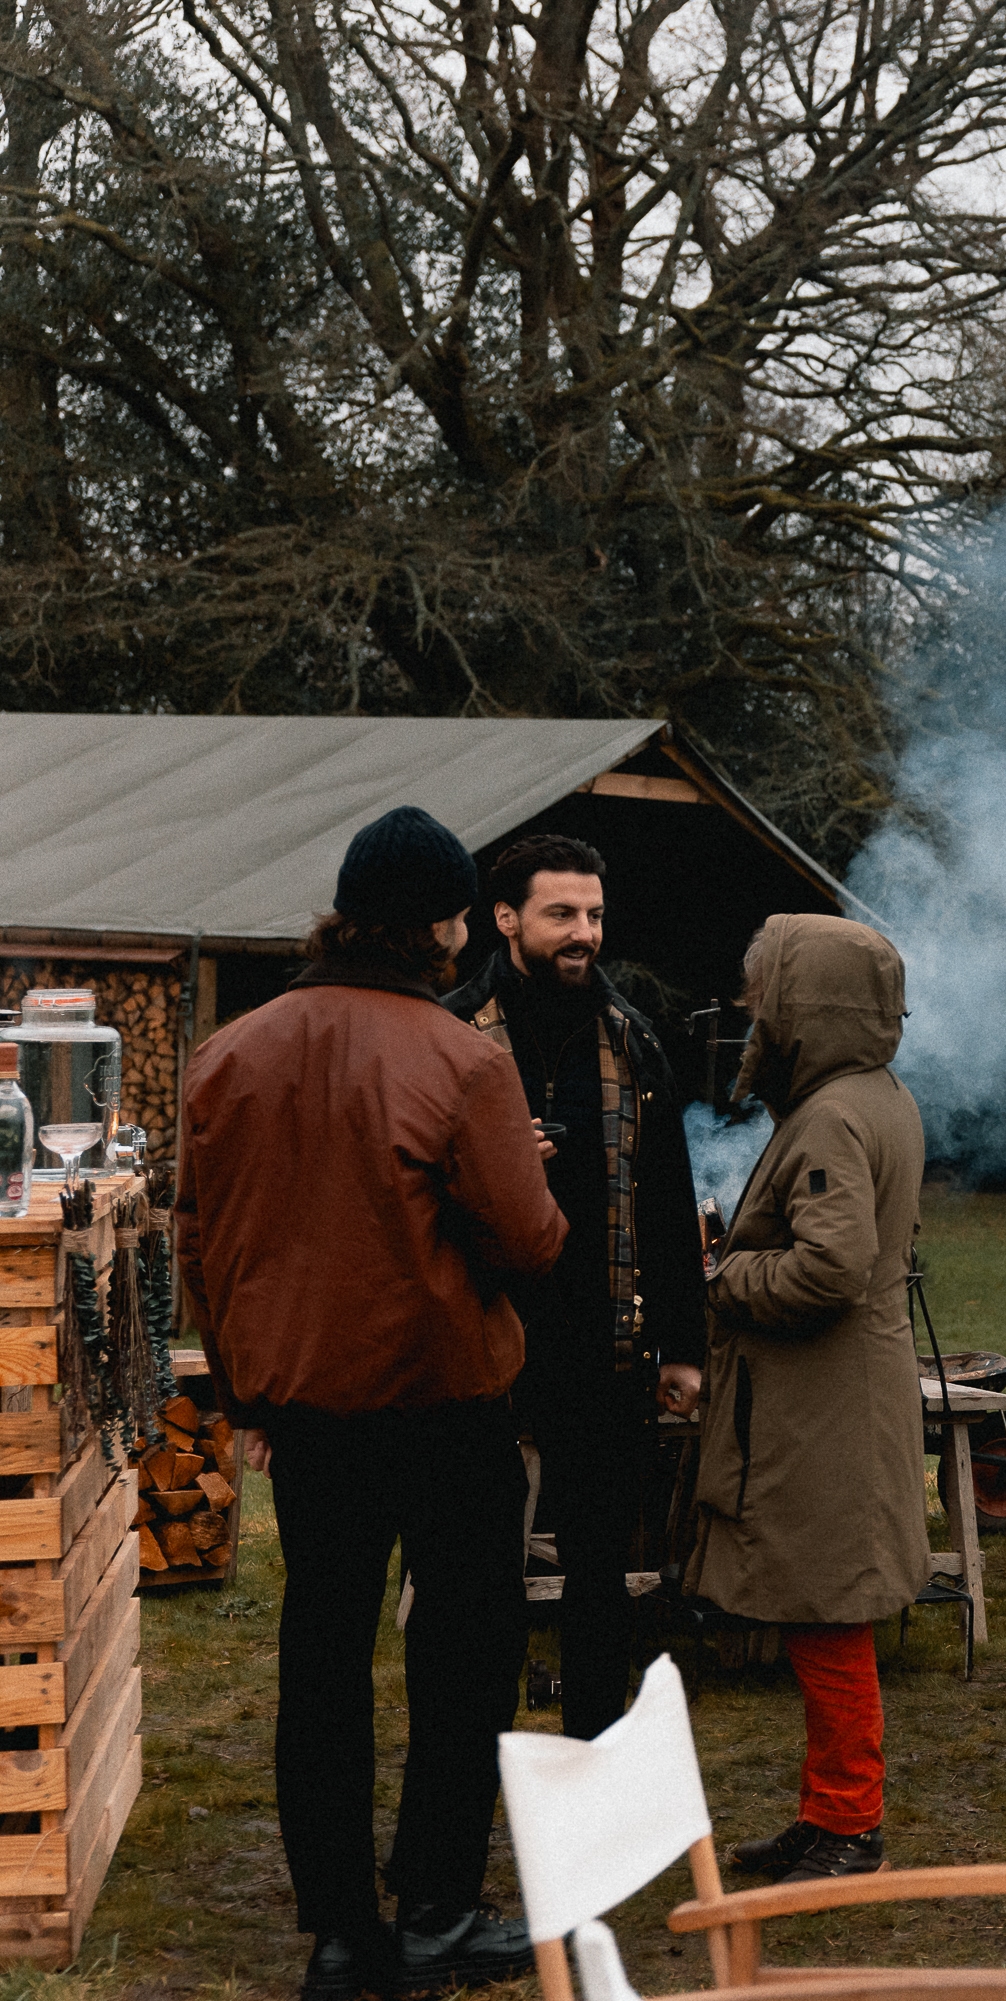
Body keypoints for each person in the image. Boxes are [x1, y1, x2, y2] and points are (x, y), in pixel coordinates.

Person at [177, 806, 567, 2000]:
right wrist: (522, 1182)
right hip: (445, 1403)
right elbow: (529, 1240)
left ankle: (343, 1933)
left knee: (323, 1660)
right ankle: (438, 1907)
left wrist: (245, 1395)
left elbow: (202, 1246)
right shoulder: (463, 1060)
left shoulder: (228, 1055)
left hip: (309, 1415)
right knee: (465, 1656)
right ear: (444, 926)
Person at [442, 834, 709, 1742]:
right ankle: (478, 1754)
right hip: (479, 1337)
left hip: (603, 1344)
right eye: (561, 913)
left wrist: (684, 1347)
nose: (583, 932)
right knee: (479, 1567)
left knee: (599, 1568)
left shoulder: (631, 1041)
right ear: (506, 918)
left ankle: (593, 1748)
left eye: (593, 914)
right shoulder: (451, 1033)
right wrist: (485, 1161)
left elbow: (668, 1202)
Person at [694, 914, 931, 1885]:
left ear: (809, 1004)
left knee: (830, 1616)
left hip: (829, 1402)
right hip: (840, 1395)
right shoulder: (874, 1095)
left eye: (767, 995)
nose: (754, 1012)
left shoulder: (833, 1113)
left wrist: (727, 1275)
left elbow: (832, 1268)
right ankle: (827, 1812)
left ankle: (849, 1826)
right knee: (819, 1607)